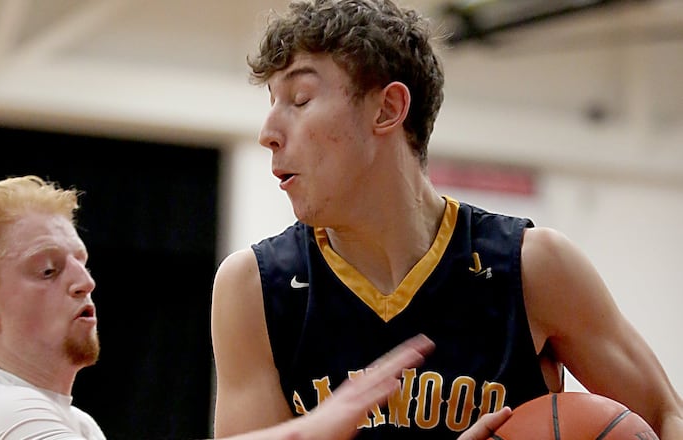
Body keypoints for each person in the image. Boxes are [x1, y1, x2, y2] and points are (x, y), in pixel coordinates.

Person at [209, 0, 683, 439]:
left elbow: (667, 417)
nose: (268, 133)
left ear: (388, 109)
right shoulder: (254, 288)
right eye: (271, 102)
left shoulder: (533, 267)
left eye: (300, 99)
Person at [0, 175, 509, 440]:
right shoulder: (2, 415)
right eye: (48, 270)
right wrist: (306, 435)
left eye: (81, 262)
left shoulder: (67, 422)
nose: (83, 283)